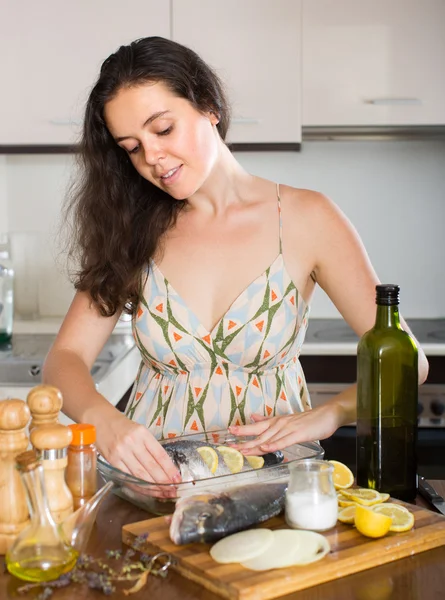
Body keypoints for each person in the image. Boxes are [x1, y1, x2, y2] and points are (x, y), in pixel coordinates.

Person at [43, 36, 429, 484]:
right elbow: (64, 358)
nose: (151, 157)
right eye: (131, 147)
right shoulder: (129, 227)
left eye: (163, 129)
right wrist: (104, 420)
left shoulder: (306, 218)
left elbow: (409, 364)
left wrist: (329, 413)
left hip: (277, 481)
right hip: (156, 483)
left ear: (209, 106)